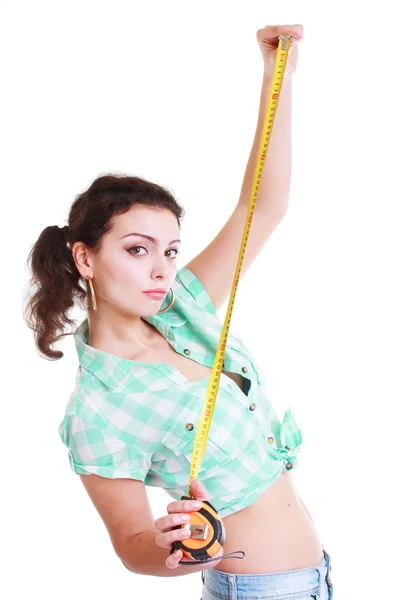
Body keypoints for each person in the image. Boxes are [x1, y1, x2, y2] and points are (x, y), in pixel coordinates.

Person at [23, 23, 333, 600]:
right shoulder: (97, 409)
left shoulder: (180, 310)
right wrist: (169, 545)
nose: (162, 268)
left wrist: (278, 76)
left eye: (169, 250)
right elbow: (132, 545)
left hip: (316, 578)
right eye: (137, 250)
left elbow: (260, 208)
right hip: (261, 589)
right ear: (86, 257)